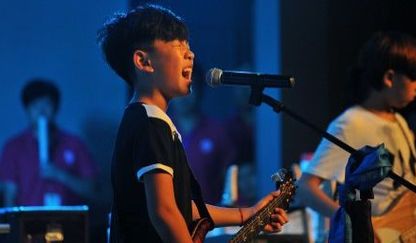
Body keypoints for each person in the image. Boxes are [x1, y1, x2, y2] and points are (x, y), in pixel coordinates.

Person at [98, 4, 288, 242]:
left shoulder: (151, 120)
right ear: (143, 61)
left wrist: (247, 214)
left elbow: (179, 207)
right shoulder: (150, 121)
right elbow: (164, 212)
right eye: (178, 45)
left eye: (188, 45)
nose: (190, 54)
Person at [297, 31, 416, 242]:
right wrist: (353, 225)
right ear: (389, 78)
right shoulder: (351, 123)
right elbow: (305, 188)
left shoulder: (400, 122)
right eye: (414, 78)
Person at [0, 79, 98, 206]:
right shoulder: (14, 147)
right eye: (35, 105)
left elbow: (92, 189)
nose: (41, 111)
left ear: (56, 107)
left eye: (47, 104)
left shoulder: (74, 144)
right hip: (28, 221)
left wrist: (59, 175)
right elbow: (9, 194)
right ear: (27, 109)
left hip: (68, 220)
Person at [169, 65, 237, 205]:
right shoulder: (159, 130)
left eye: (190, 87)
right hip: (169, 221)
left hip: (211, 219)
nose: (183, 94)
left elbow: (231, 180)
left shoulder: (218, 131)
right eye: (176, 87)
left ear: (201, 90)